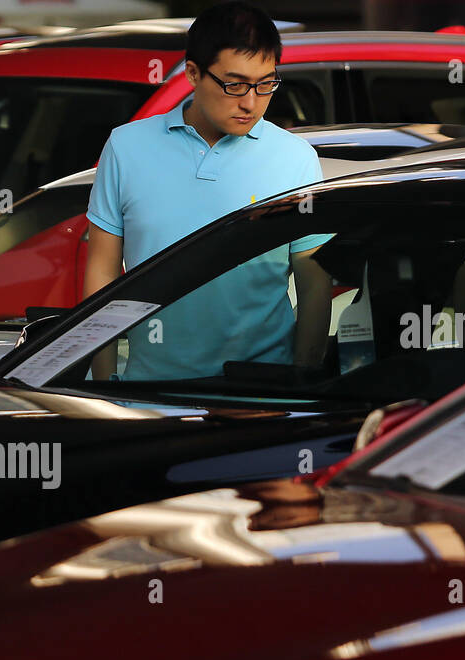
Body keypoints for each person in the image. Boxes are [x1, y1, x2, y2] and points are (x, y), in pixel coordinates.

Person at [86, 1, 331, 380]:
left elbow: (313, 280)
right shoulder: (126, 148)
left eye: (265, 84)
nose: (250, 102)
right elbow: (101, 274)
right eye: (234, 84)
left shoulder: (294, 158)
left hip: (260, 392)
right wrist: (102, 383)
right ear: (193, 73)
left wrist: (300, 379)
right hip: (149, 395)